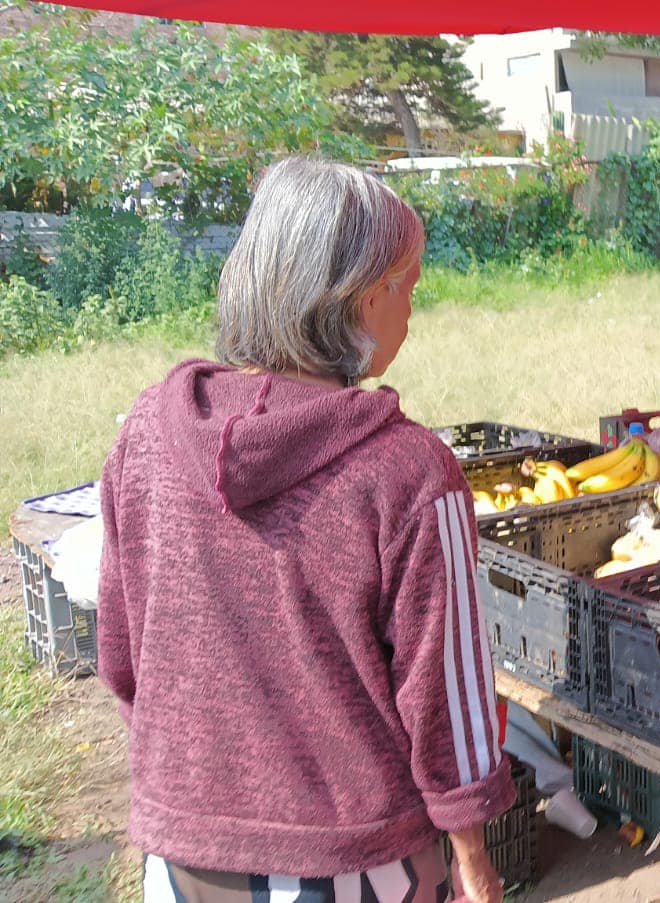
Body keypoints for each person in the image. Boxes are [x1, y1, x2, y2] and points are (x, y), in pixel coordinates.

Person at [97, 157, 512, 902]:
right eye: (407, 288)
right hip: (357, 862)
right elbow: (447, 705)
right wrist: (475, 858)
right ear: (359, 298)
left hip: (182, 855)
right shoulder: (411, 474)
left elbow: (125, 658)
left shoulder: (143, 438)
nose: (412, 313)